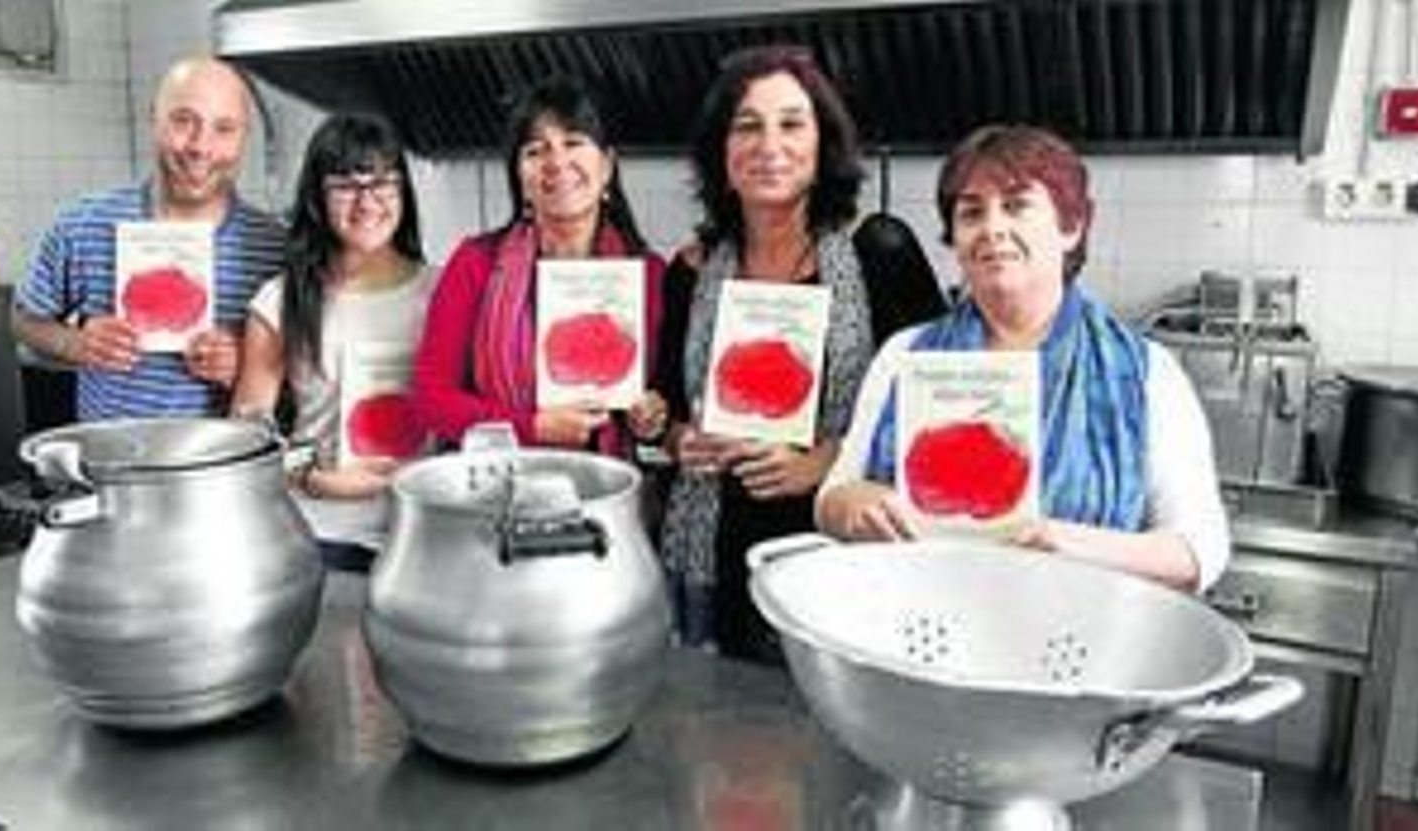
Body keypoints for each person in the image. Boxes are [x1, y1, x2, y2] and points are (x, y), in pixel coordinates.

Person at [816, 123, 1230, 592]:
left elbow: (1201, 550)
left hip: (1077, 631)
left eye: (1016, 206)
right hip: (922, 622)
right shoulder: (903, 355)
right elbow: (831, 497)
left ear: (1071, 227)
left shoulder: (1146, 372)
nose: (992, 228)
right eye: (971, 212)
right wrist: (854, 505)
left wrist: (1069, 542)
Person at [654, 45, 948, 660]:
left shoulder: (880, 252)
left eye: (791, 124)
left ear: (823, 145)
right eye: (747, 126)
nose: (769, 145)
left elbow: (938, 415)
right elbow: (667, 410)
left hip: (838, 559)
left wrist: (824, 462)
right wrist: (682, 440)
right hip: (715, 555)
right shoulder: (691, 271)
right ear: (722, 153)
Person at [12, 55, 285, 420]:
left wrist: (252, 364)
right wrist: (74, 343)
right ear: (154, 118)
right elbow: (22, 320)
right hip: (110, 454)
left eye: (224, 128)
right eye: (183, 121)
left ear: (244, 136)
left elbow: (309, 378)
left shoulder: (275, 248)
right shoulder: (83, 224)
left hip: (222, 456)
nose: (200, 147)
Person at [412, 76, 666, 455]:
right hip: (499, 482)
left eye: (573, 142)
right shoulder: (476, 263)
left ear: (607, 166)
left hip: (607, 483)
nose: (556, 162)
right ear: (519, 176)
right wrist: (532, 427)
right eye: (535, 150)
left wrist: (652, 417)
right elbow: (431, 401)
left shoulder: (650, 274)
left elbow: (662, 405)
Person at [232, 113, 436, 571]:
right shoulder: (279, 299)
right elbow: (248, 432)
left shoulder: (443, 291)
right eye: (345, 185)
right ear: (317, 197)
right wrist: (310, 477)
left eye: (382, 182)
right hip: (319, 534)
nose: (366, 201)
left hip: (424, 528)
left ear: (403, 191)